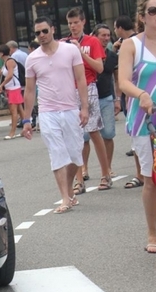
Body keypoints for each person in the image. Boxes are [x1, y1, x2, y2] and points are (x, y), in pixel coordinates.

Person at [21, 17, 89, 214]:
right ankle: (65, 198)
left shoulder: (70, 50)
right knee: (57, 154)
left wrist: (84, 108)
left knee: (76, 156)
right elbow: (30, 91)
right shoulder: (32, 58)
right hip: (47, 112)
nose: (41, 35)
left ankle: (68, 191)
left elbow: (81, 79)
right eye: (37, 33)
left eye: (44, 31)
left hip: (70, 109)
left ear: (52, 29)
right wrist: (26, 120)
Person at [118, 0, 156, 252]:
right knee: (151, 179)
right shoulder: (132, 45)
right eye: (153, 11)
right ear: (142, 17)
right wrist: (142, 94)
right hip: (146, 122)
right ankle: (153, 234)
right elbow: (122, 81)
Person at [62, 7, 111, 194]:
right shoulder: (63, 43)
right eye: (70, 23)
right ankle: (79, 179)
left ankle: (105, 173)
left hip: (89, 87)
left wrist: (80, 52)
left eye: (76, 22)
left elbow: (99, 67)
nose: (73, 26)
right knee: (74, 136)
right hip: (69, 89)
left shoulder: (92, 41)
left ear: (83, 22)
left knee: (94, 132)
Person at [84, 24, 122, 187]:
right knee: (85, 137)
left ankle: (107, 167)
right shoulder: (85, 52)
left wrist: (117, 99)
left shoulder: (112, 56)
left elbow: (117, 78)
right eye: (103, 35)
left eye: (108, 35)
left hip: (106, 98)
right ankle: (84, 169)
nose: (106, 38)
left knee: (108, 134)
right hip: (87, 97)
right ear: (94, 36)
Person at [0, 44, 25, 140]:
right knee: (19, 109)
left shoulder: (9, 61)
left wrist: (1, 86)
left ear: (2, 53)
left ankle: (12, 132)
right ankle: (26, 128)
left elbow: (10, 75)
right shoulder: (6, 62)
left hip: (13, 88)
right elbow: (0, 73)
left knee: (13, 110)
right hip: (12, 87)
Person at [114, 14, 139, 157]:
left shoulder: (131, 42)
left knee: (133, 116)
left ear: (120, 28)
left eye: (115, 28)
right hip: (129, 86)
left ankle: (136, 147)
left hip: (133, 85)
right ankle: (134, 145)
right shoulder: (123, 42)